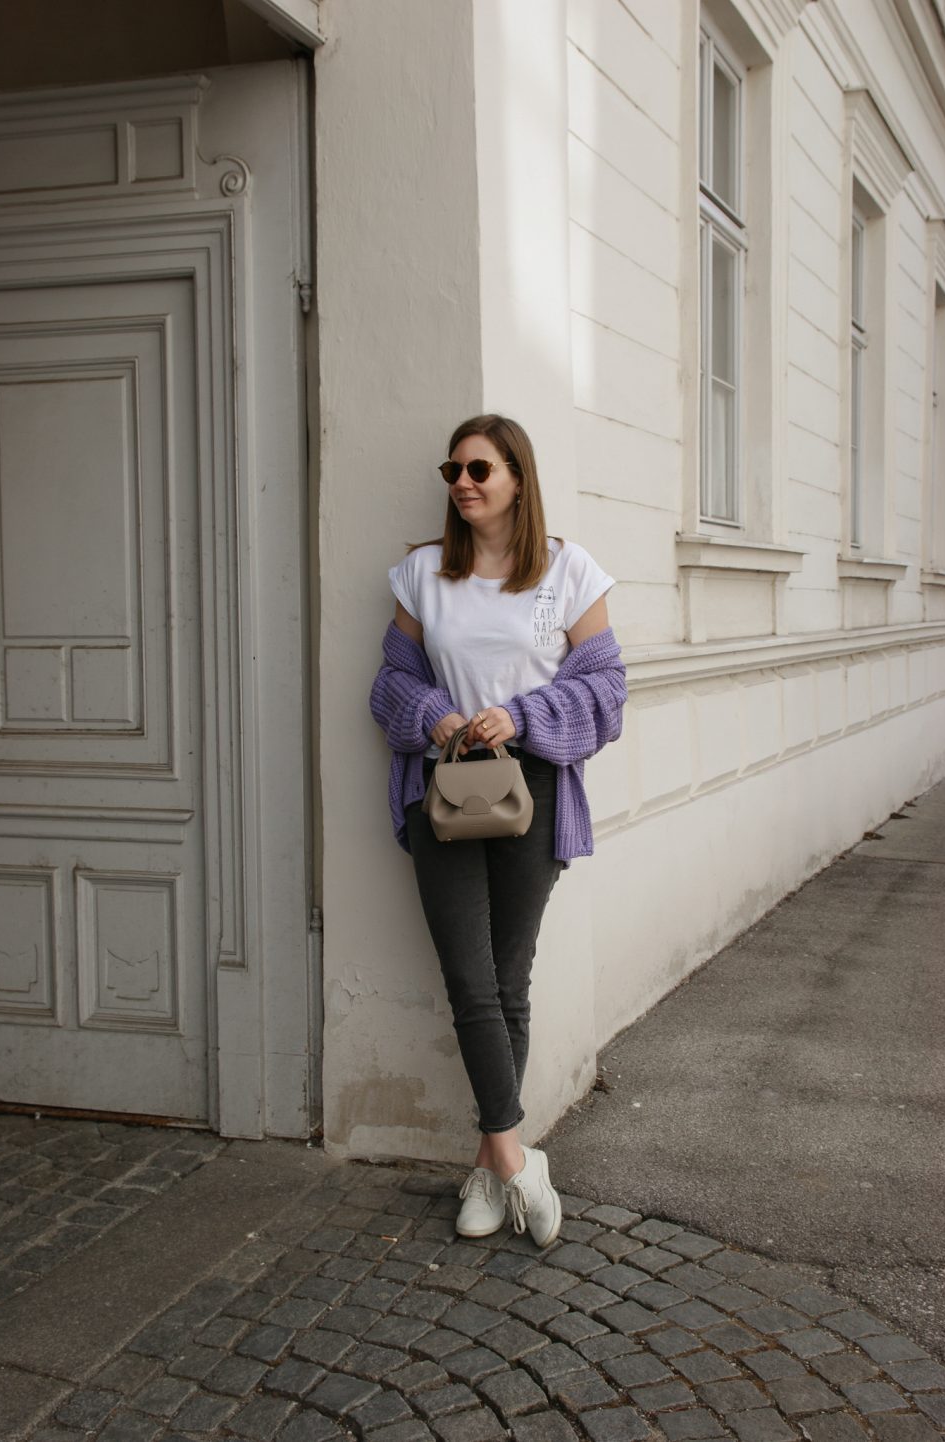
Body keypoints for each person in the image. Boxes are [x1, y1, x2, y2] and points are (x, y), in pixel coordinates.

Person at [370, 414, 626, 1249]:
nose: (464, 482)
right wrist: (438, 714)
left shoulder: (568, 571)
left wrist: (516, 716)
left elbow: (606, 691)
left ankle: (487, 1163)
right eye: (453, 470)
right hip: (443, 790)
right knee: (471, 981)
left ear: (518, 474)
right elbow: (390, 684)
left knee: (508, 982)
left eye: (480, 467)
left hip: (533, 789)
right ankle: (520, 1163)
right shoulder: (421, 576)